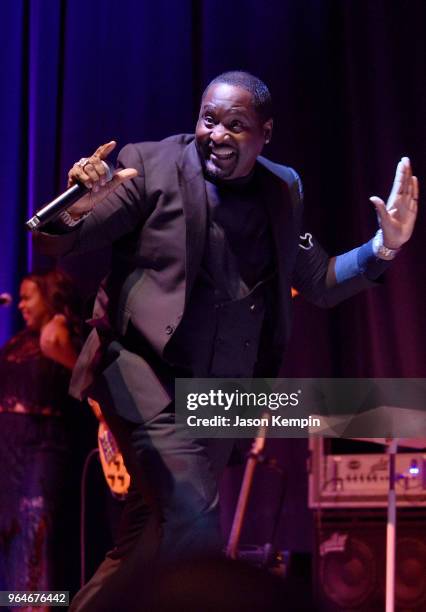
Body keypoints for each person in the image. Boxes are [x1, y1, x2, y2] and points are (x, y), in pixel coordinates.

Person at [34, 71, 418, 611]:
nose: (217, 134)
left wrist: (384, 247)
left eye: (235, 125)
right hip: (144, 376)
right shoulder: (151, 166)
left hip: (219, 392)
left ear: (265, 132)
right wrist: (77, 201)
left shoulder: (283, 189)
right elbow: (64, 238)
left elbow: (320, 280)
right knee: (193, 511)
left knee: (147, 540)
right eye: (208, 119)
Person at [0, 270, 82, 607]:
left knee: (36, 537)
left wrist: (58, 320)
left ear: (48, 298)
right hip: (10, 448)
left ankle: (39, 606)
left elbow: (84, 378)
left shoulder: (58, 333)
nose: (20, 305)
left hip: (41, 447)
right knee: (12, 536)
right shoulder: (20, 340)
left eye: (27, 297)